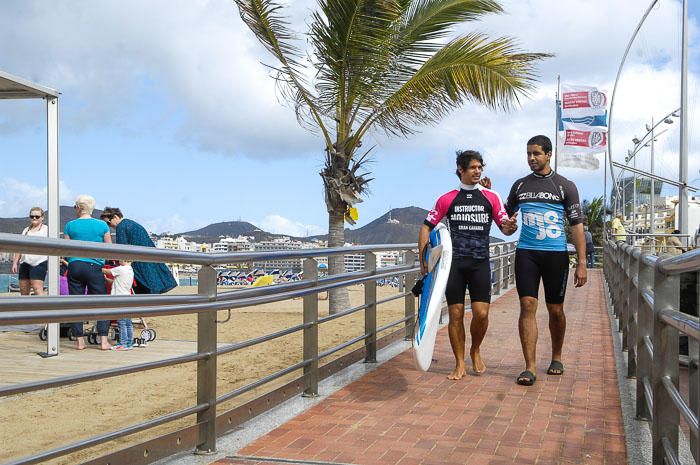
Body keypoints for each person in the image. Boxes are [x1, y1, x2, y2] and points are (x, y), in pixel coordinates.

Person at [419, 150, 517, 380]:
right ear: (460, 170)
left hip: (480, 262)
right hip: (455, 264)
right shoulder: (447, 198)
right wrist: (424, 257)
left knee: (481, 314)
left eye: (480, 167)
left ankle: (475, 350)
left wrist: (510, 227)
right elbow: (426, 226)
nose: (478, 171)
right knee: (455, 313)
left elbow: (504, 226)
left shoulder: (491, 196)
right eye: (473, 167)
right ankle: (459, 362)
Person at [505, 135, 587, 386]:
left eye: (536, 154)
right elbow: (506, 224)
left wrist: (582, 262)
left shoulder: (565, 186)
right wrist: (508, 226)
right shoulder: (519, 186)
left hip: (555, 255)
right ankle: (529, 366)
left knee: (555, 310)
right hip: (527, 253)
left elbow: (576, 226)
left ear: (549, 154)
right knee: (528, 305)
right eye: (528, 154)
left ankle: (557, 356)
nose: (531, 158)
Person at [64, 195, 112, 350]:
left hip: (75, 265)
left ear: (78, 208)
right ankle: (103, 341)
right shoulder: (102, 225)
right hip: (94, 266)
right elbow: (109, 248)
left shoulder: (70, 225)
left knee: (75, 303)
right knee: (101, 303)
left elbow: (66, 249)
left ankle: (80, 342)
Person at [100, 207, 177, 295]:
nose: (109, 226)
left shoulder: (121, 226)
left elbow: (122, 249)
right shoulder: (133, 224)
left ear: (116, 217)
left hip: (139, 267)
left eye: (108, 223)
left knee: (142, 294)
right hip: (150, 263)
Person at [11, 207, 48, 296]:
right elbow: (19, 247)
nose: (34, 218)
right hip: (25, 263)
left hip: (39, 262)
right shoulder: (26, 230)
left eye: (37, 216)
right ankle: (25, 309)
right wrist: (15, 263)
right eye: (32, 216)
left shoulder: (47, 230)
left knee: (37, 289)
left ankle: (42, 309)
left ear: (42, 217)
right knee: (23, 291)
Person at [103, 260, 135, 350]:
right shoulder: (130, 270)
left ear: (124, 259)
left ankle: (123, 343)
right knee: (128, 323)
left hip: (119, 299)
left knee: (121, 322)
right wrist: (106, 280)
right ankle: (129, 343)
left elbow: (107, 271)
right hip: (127, 298)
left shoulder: (121, 269)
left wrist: (97, 267)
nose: (117, 261)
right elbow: (116, 283)